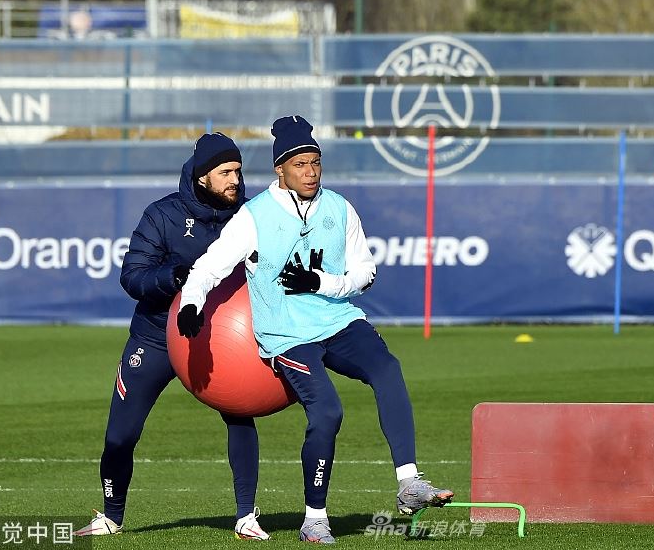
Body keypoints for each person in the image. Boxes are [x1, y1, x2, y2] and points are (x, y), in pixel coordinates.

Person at [177, 115, 453, 544]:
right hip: (288, 336)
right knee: (327, 412)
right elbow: (208, 267)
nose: (311, 172)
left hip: (339, 321)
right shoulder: (253, 216)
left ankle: (409, 482)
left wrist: (323, 283)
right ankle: (315, 519)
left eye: (316, 163)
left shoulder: (340, 208)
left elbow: (366, 272)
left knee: (388, 368)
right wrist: (191, 305)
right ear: (280, 169)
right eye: (300, 164)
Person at [76, 133, 270, 540]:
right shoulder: (162, 215)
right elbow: (132, 276)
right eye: (225, 172)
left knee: (240, 414)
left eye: (238, 171)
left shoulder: (253, 215)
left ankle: (246, 517)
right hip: (156, 337)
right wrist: (172, 278)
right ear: (202, 177)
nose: (235, 179)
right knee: (120, 435)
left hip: (224, 339)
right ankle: (111, 516)